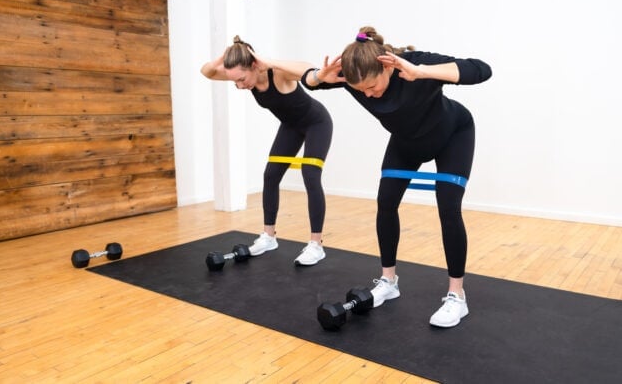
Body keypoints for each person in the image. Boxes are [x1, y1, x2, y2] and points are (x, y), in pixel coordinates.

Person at [303, 26, 492, 327]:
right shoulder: (356, 78)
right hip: (407, 142)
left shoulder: (413, 64)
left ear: (385, 67)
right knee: (386, 202)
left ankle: (457, 296)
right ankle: (388, 281)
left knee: (448, 207)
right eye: (360, 90)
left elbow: (482, 70)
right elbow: (309, 81)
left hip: (453, 133)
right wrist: (318, 77)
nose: (367, 94)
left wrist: (422, 72)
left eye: (371, 86)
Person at [200, 36, 333, 266]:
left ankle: (316, 245)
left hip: (316, 122)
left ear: (254, 65)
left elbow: (309, 69)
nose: (241, 87)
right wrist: (224, 56)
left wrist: (270, 62)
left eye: (241, 79)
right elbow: (207, 72)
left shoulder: (277, 74)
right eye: (235, 83)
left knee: (310, 175)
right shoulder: (243, 77)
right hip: (291, 126)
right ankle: (268, 237)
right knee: (270, 175)